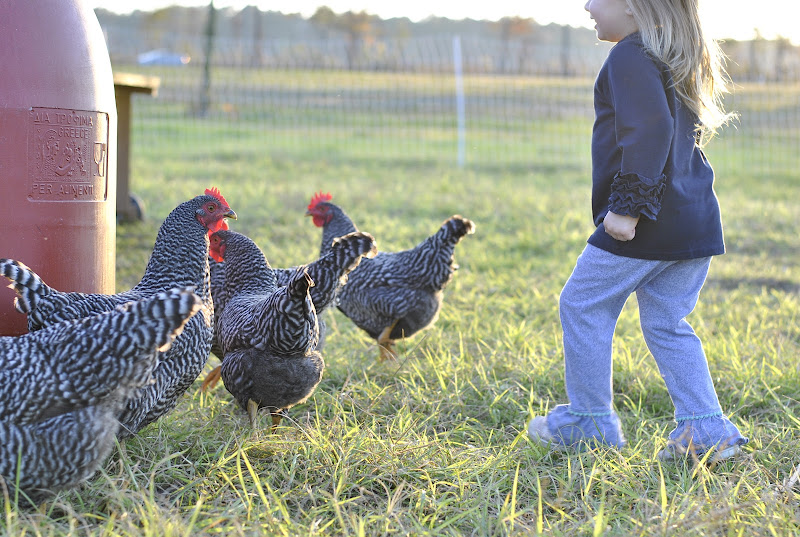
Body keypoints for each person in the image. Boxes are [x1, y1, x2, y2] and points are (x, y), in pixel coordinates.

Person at [527, 0, 748, 461]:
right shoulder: (671, 55)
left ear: (631, 5)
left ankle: (588, 422)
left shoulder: (631, 54)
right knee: (667, 323)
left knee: (582, 303)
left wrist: (627, 209)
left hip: (648, 219)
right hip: (693, 218)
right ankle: (706, 428)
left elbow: (650, 131)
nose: (587, 6)